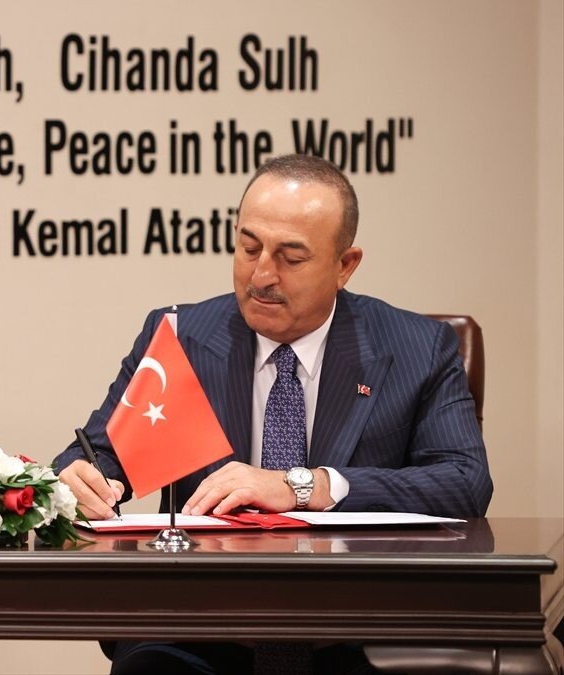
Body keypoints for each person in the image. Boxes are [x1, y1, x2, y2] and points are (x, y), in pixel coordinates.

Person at [54, 153, 492, 674]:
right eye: (248, 248)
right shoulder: (181, 337)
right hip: (199, 628)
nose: (261, 275)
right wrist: (79, 479)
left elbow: (465, 482)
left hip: (358, 627)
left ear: (345, 265)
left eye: (291, 257)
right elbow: (101, 453)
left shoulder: (417, 348)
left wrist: (309, 486)